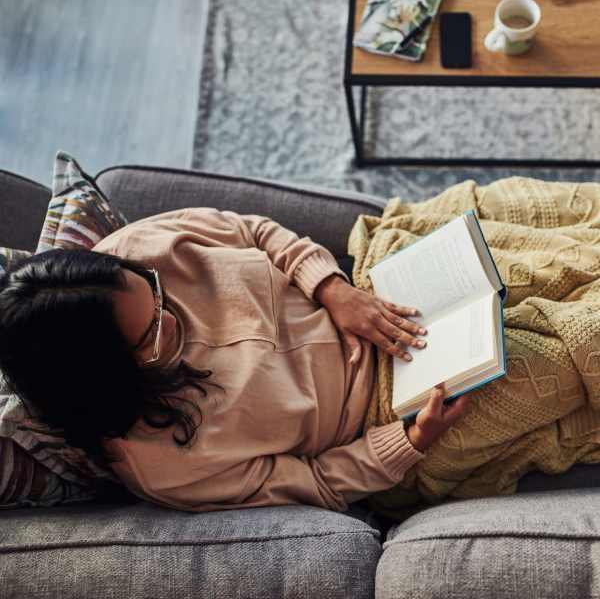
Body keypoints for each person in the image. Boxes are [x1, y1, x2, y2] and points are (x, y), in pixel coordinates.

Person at [0, 207, 470, 514]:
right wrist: (410, 440)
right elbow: (316, 482)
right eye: (150, 334)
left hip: (370, 288)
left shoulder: (133, 252)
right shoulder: (163, 465)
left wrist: (334, 290)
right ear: (104, 379)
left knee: (501, 223)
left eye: (157, 293)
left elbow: (254, 232)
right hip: (387, 413)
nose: (171, 320)